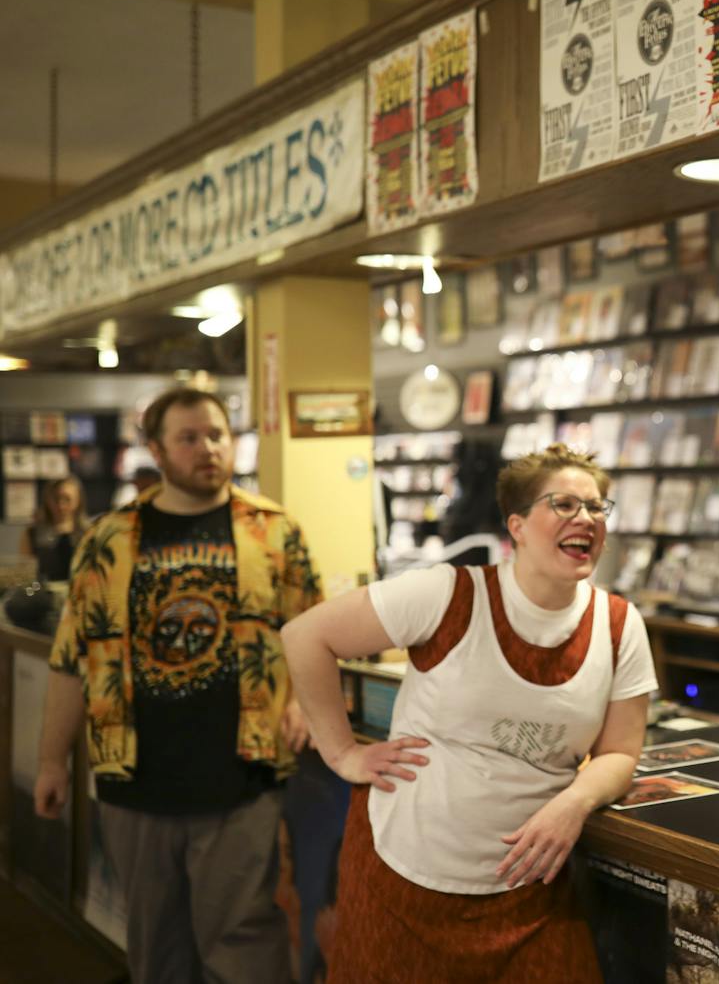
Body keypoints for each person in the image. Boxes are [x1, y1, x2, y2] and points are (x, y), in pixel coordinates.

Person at [282, 443, 659, 982]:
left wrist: (575, 802)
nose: (587, 519)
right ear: (518, 526)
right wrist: (342, 753)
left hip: (531, 893)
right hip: (402, 880)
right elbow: (306, 636)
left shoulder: (619, 624)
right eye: (565, 505)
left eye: (598, 507)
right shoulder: (448, 594)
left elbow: (621, 751)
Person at [34, 386, 323, 984]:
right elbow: (71, 659)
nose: (208, 449)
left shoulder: (275, 531)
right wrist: (51, 762)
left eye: (217, 434)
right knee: (157, 951)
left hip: (243, 778)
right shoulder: (107, 541)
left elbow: (314, 632)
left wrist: (304, 703)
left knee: (245, 946)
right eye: (189, 438)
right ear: (157, 451)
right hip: (136, 781)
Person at [21, 475, 90, 581]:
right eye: (56, 498)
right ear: (47, 500)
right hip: (43, 593)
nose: (61, 505)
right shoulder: (32, 533)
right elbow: (25, 572)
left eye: (67, 499)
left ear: (78, 500)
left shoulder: (89, 532)